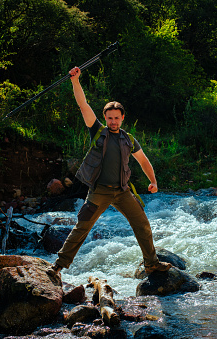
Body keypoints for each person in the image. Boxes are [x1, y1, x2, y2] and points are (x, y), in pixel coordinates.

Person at [51, 66, 172, 276]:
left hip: (123, 191)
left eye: (116, 118)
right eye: (109, 118)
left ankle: (151, 263)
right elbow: (82, 105)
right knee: (82, 228)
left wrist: (153, 181)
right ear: (105, 118)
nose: (113, 121)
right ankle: (57, 267)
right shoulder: (98, 131)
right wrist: (75, 81)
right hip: (99, 191)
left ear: (122, 117)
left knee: (142, 224)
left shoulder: (129, 139)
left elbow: (144, 161)